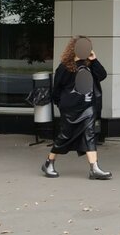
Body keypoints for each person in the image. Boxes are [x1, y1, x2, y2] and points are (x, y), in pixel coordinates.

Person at [41, 36, 112, 180]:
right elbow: (57, 89)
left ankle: (94, 168)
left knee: (90, 135)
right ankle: (49, 162)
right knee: (65, 136)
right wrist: (60, 104)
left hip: (88, 106)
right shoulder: (64, 67)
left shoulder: (90, 64)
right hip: (70, 108)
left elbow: (102, 75)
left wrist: (94, 60)